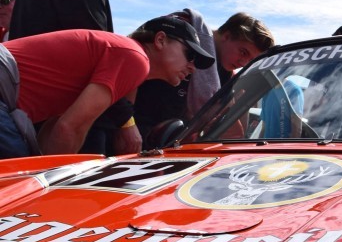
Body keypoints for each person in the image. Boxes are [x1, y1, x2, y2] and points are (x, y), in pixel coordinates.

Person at [0, 16, 214, 158]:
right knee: (16, 179)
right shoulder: (135, 58)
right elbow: (70, 128)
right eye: (190, 55)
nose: (193, 68)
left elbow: (57, 126)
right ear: (160, 40)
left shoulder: (123, 55)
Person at [134, 11, 273, 143]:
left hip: (168, 143)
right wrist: (126, 123)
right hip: (129, 125)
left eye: (250, 60)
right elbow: (132, 64)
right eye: (243, 52)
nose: (243, 63)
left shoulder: (229, 80)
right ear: (227, 35)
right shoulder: (180, 35)